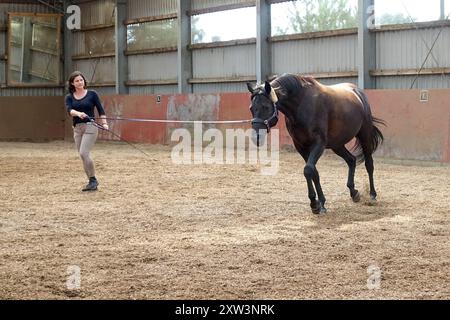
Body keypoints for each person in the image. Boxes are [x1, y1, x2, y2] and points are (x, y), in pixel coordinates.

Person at [65, 71, 108, 191]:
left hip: (90, 126)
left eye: (81, 80)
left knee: (84, 152)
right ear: (72, 83)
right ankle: (91, 181)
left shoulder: (92, 94)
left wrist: (104, 123)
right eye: (77, 81)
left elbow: (100, 110)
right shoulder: (69, 97)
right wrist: (79, 113)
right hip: (77, 128)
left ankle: (93, 180)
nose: (80, 82)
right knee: (83, 156)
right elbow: (70, 111)